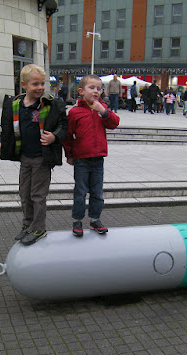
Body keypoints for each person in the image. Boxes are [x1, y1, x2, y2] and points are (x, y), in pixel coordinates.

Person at [0, 64, 68, 245]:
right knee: (24, 194)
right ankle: (27, 225)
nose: (40, 88)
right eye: (35, 84)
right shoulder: (15, 104)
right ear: (24, 85)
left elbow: (64, 126)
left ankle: (38, 229)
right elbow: (7, 127)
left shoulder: (51, 104)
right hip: (25, 158)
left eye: (42, 83)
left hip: (42, 159)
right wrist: (2, 140)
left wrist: (54, 136)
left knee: (38, 195)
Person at [63, 74, 120, 237]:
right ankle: (77, 220)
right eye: (91, 88)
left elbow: (115, 123)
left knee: (97, 192)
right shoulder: (75, 112)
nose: (96, 91)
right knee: (80, 191)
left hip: (98, 158)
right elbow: (68, 135)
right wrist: (69, 154)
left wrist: (103, 111)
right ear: (81, 91)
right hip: (81, 159)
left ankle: (95, 219)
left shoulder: (102, 110)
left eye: (99, 88)